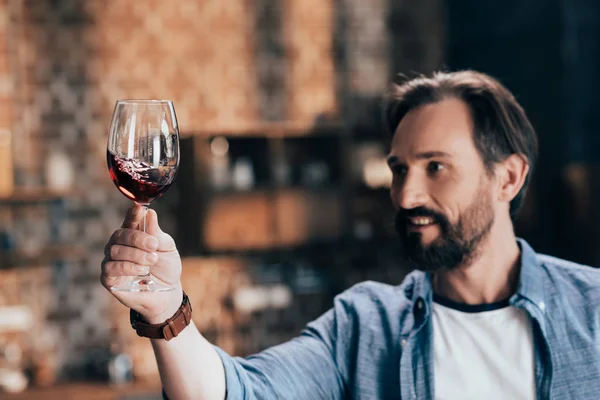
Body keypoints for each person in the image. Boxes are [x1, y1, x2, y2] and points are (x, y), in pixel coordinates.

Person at [101, 70, 600, 400]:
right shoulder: (367, 326)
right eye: (399, 169)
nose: (405, 196)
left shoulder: (592, 310)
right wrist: (167, 312)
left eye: (436, 167)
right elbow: (238, 392)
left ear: (507, 177)